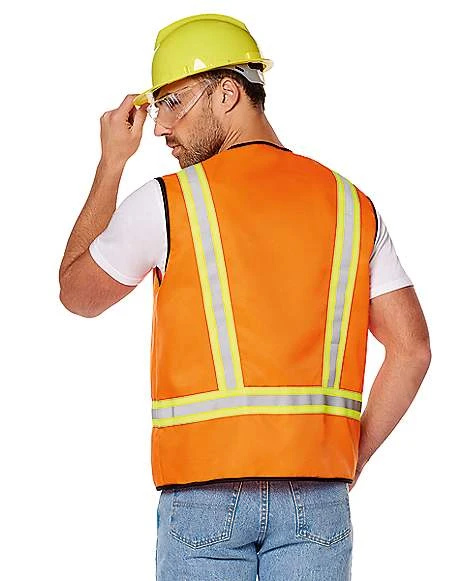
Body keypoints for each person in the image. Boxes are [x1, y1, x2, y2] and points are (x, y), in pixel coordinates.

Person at [58, 13, 431, 581]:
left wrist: (111, 164)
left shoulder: (168, 202)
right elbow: (412, 349)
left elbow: (78, 293)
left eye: (173, 103)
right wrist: (348, 461)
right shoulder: (353, 205)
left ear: (227, 93)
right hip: (317, 497)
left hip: (203, 497)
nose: (161, 128)